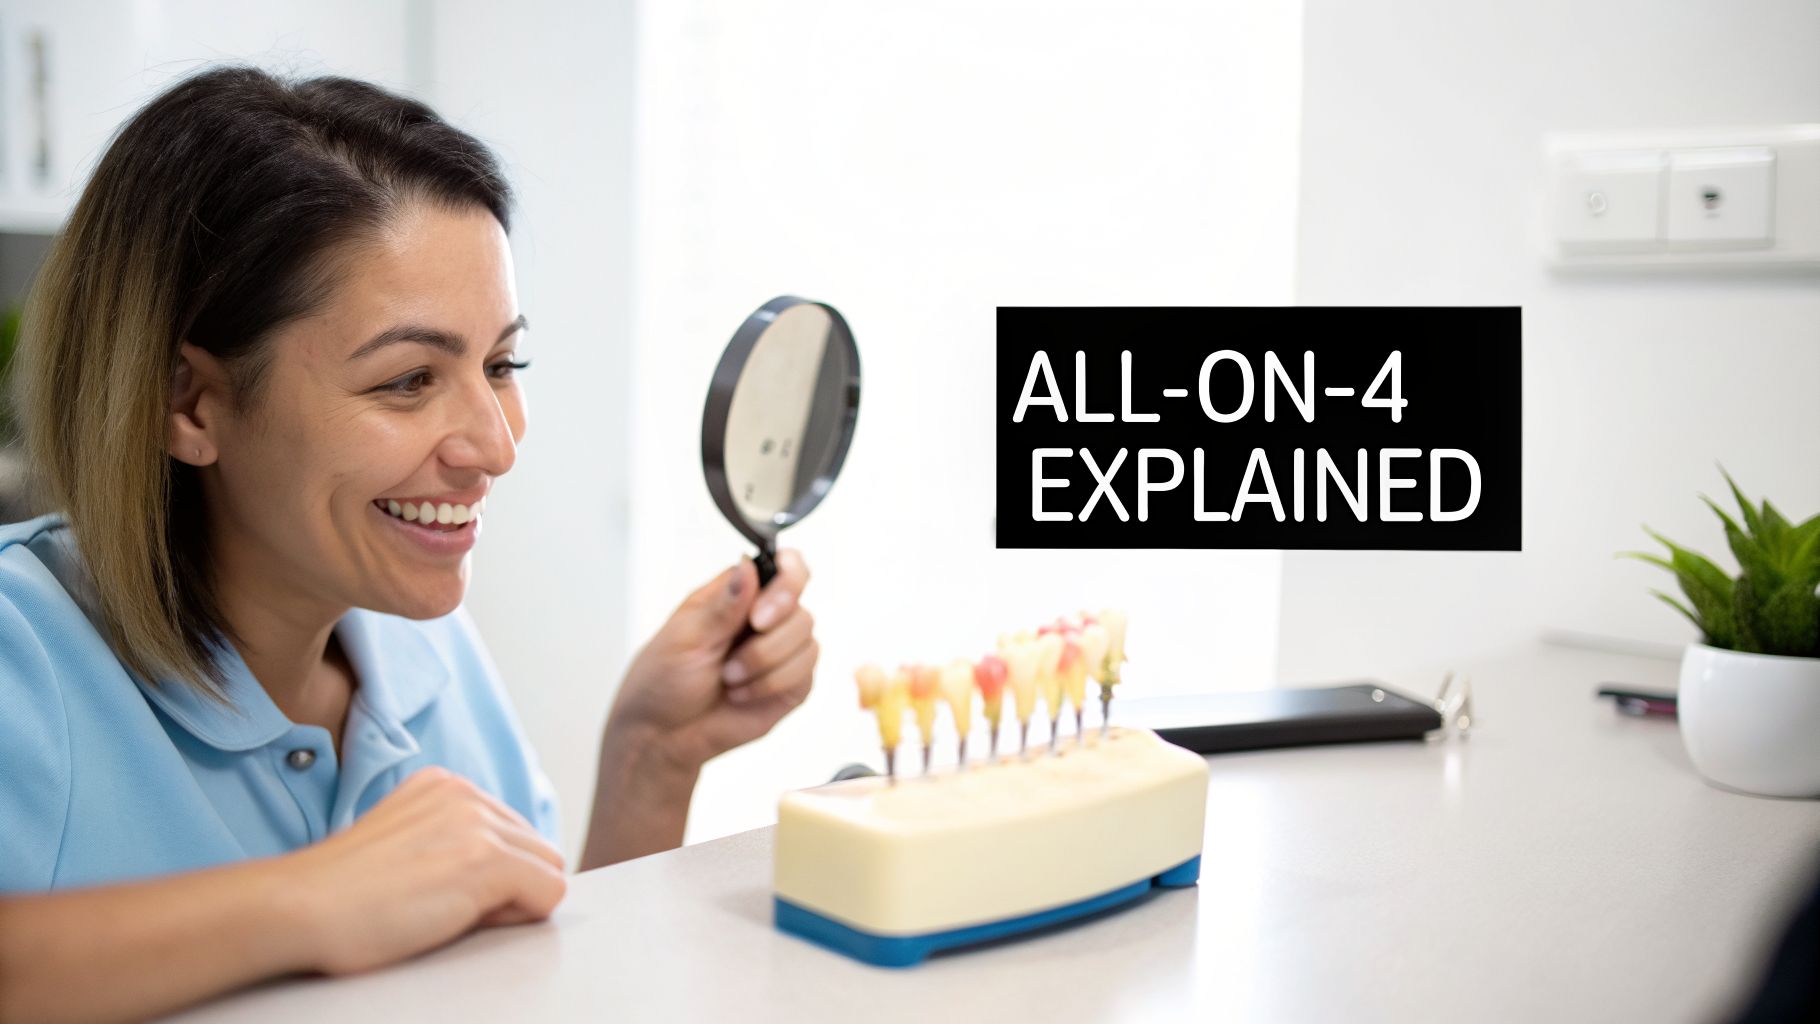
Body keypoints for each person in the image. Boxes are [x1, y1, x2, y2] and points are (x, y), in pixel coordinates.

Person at [0, 64, 819, 1023]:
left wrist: (652, 760)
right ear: (189, 402)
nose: (496, 446)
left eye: (501, 363)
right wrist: (311, 900)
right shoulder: (26, 656)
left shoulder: (419, 647)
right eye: (406, 381)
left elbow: (535, 996)